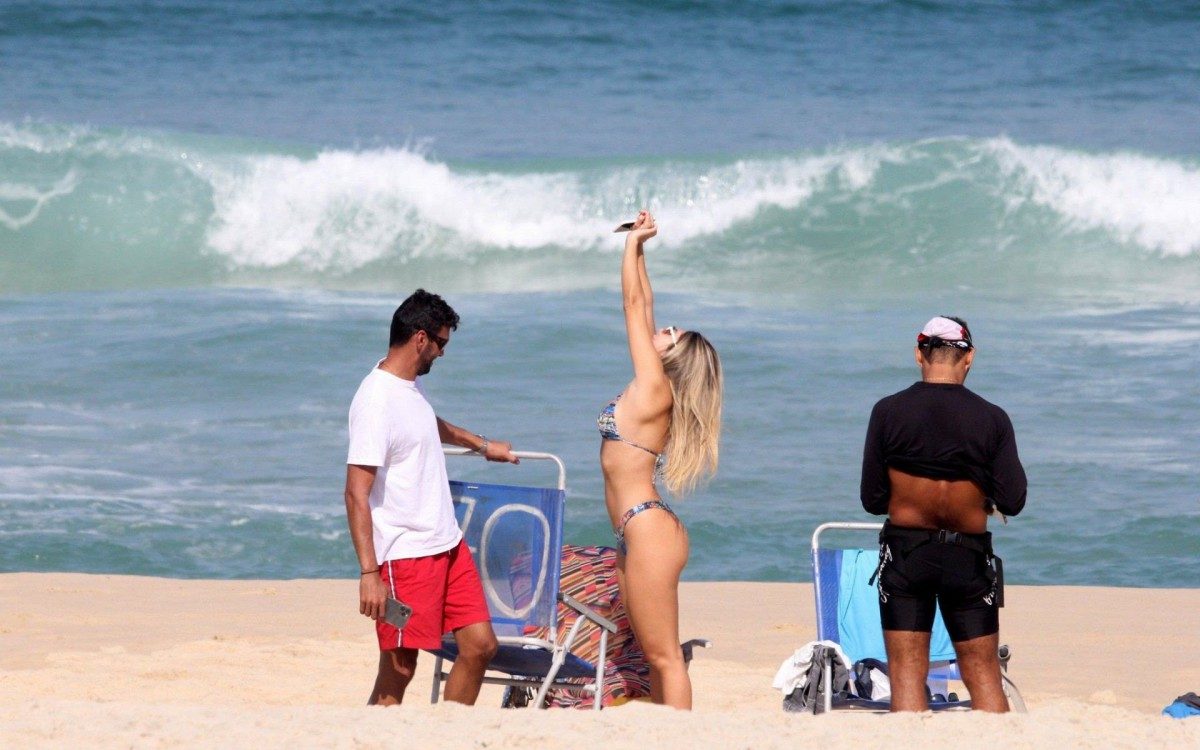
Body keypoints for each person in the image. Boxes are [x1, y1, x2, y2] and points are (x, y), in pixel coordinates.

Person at [344, 288, 519, 706]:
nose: (442, 353)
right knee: (400, 668)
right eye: (440, 343)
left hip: (447, 545)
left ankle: (445, 737)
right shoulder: (375, 400)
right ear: (420, 338)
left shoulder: (409, 387)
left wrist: (481, 444)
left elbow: (427, 423)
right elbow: (355, 493)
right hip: (404, 558)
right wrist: (370, 573)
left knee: (479, 647)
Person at [860, 315, 1027, 712]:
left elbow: (872, 498)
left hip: (907, 555)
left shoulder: (887, 412)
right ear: (968, 358)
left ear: (920, 354)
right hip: (966, 558)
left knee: (905, 672)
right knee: (982, 671)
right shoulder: (992, 418)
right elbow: (1014, 500)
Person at [599, 210, 724, 710]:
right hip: (636, 528)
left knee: (664, 656)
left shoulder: (654, 389)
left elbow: (632, 306)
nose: (659, 326)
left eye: (668, 331)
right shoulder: (652, 388)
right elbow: (644, 302)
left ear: (671, 359)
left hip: (648, 530)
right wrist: (642, 243)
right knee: (654, 657)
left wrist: (629, 247)